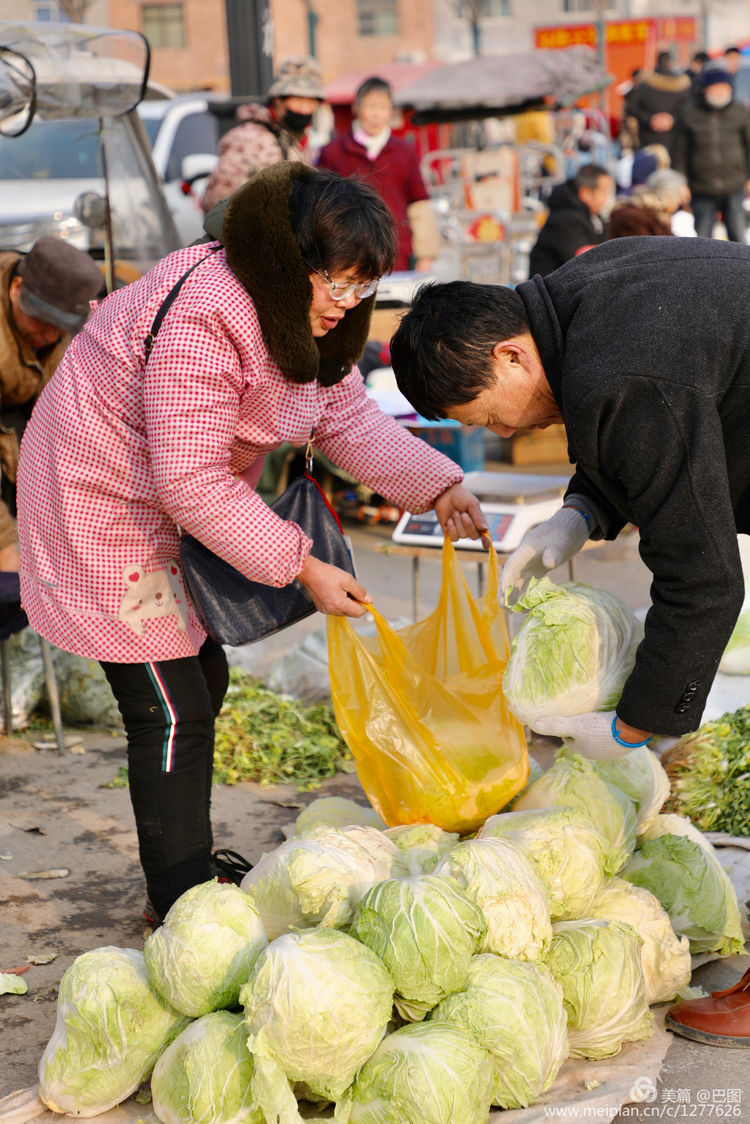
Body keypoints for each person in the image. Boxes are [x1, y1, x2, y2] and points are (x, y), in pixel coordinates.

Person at [16, 163, 488, 925]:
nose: (348, 306)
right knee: (169, 710)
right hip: (100, 497)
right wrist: (303, 567)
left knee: (203, 678)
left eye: (363, 288)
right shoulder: (207, 313)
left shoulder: (301, 317)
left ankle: (188, 862)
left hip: (168, 494)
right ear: (290, 263)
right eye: (338, 284)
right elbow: (194, 482)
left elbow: (346, 418)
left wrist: (438, 485)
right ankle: (181, 906)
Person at [389, 236, 750, 765]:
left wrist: (634, 724)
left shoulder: (622, 377)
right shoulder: (582, 293)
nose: (507, 432)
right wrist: (579, 513)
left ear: (510, 355)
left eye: (490, 417)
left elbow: (704, 580)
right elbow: (643, 440)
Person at [0, 237, 103, 573]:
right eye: (41, 324)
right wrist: (3, 545)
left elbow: (65, 419)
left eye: (58, 330)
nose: (47, 337)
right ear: (16, 289)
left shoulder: (55, 334)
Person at [316, 76, 438, 272]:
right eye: (370, 106)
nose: (376, 114)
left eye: (383, 107)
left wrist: (426, 255)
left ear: (391, 111)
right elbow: (322, 205)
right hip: (348, 255)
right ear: (356, 107)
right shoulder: (333, 152)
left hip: (397, 252)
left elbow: (419, 203)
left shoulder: (404, 151)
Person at [201, 56, 324, 212]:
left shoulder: (299, 140)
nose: (304, 108)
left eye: (311, 101)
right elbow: (216, 204)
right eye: (297, 98)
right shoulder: (247, 139)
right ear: (278, 100)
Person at [672, 65, 750, 243]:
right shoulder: (689, 113)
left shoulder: (740, 112)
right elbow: (679, 152)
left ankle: (741, 271)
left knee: (738, 236)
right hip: (701, 187)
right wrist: (681, 182)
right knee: (703, 239)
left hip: (734, 184)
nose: (720, 92)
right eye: (716, 87)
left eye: (725, 88)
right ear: (705, 89)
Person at [527, 164, 615, 277]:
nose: (608, 197)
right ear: (585, 193)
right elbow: (585, 259)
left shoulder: (594, 218)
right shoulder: (565, 220)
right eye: (604, 191)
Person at [626, 50, 691, 160]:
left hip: (648, 137)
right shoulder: (682, 85)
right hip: (673, 139)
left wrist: (651, 119)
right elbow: (687, 109)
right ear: (671, 62)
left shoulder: (645, 84)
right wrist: (671, 119)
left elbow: (631, 108)